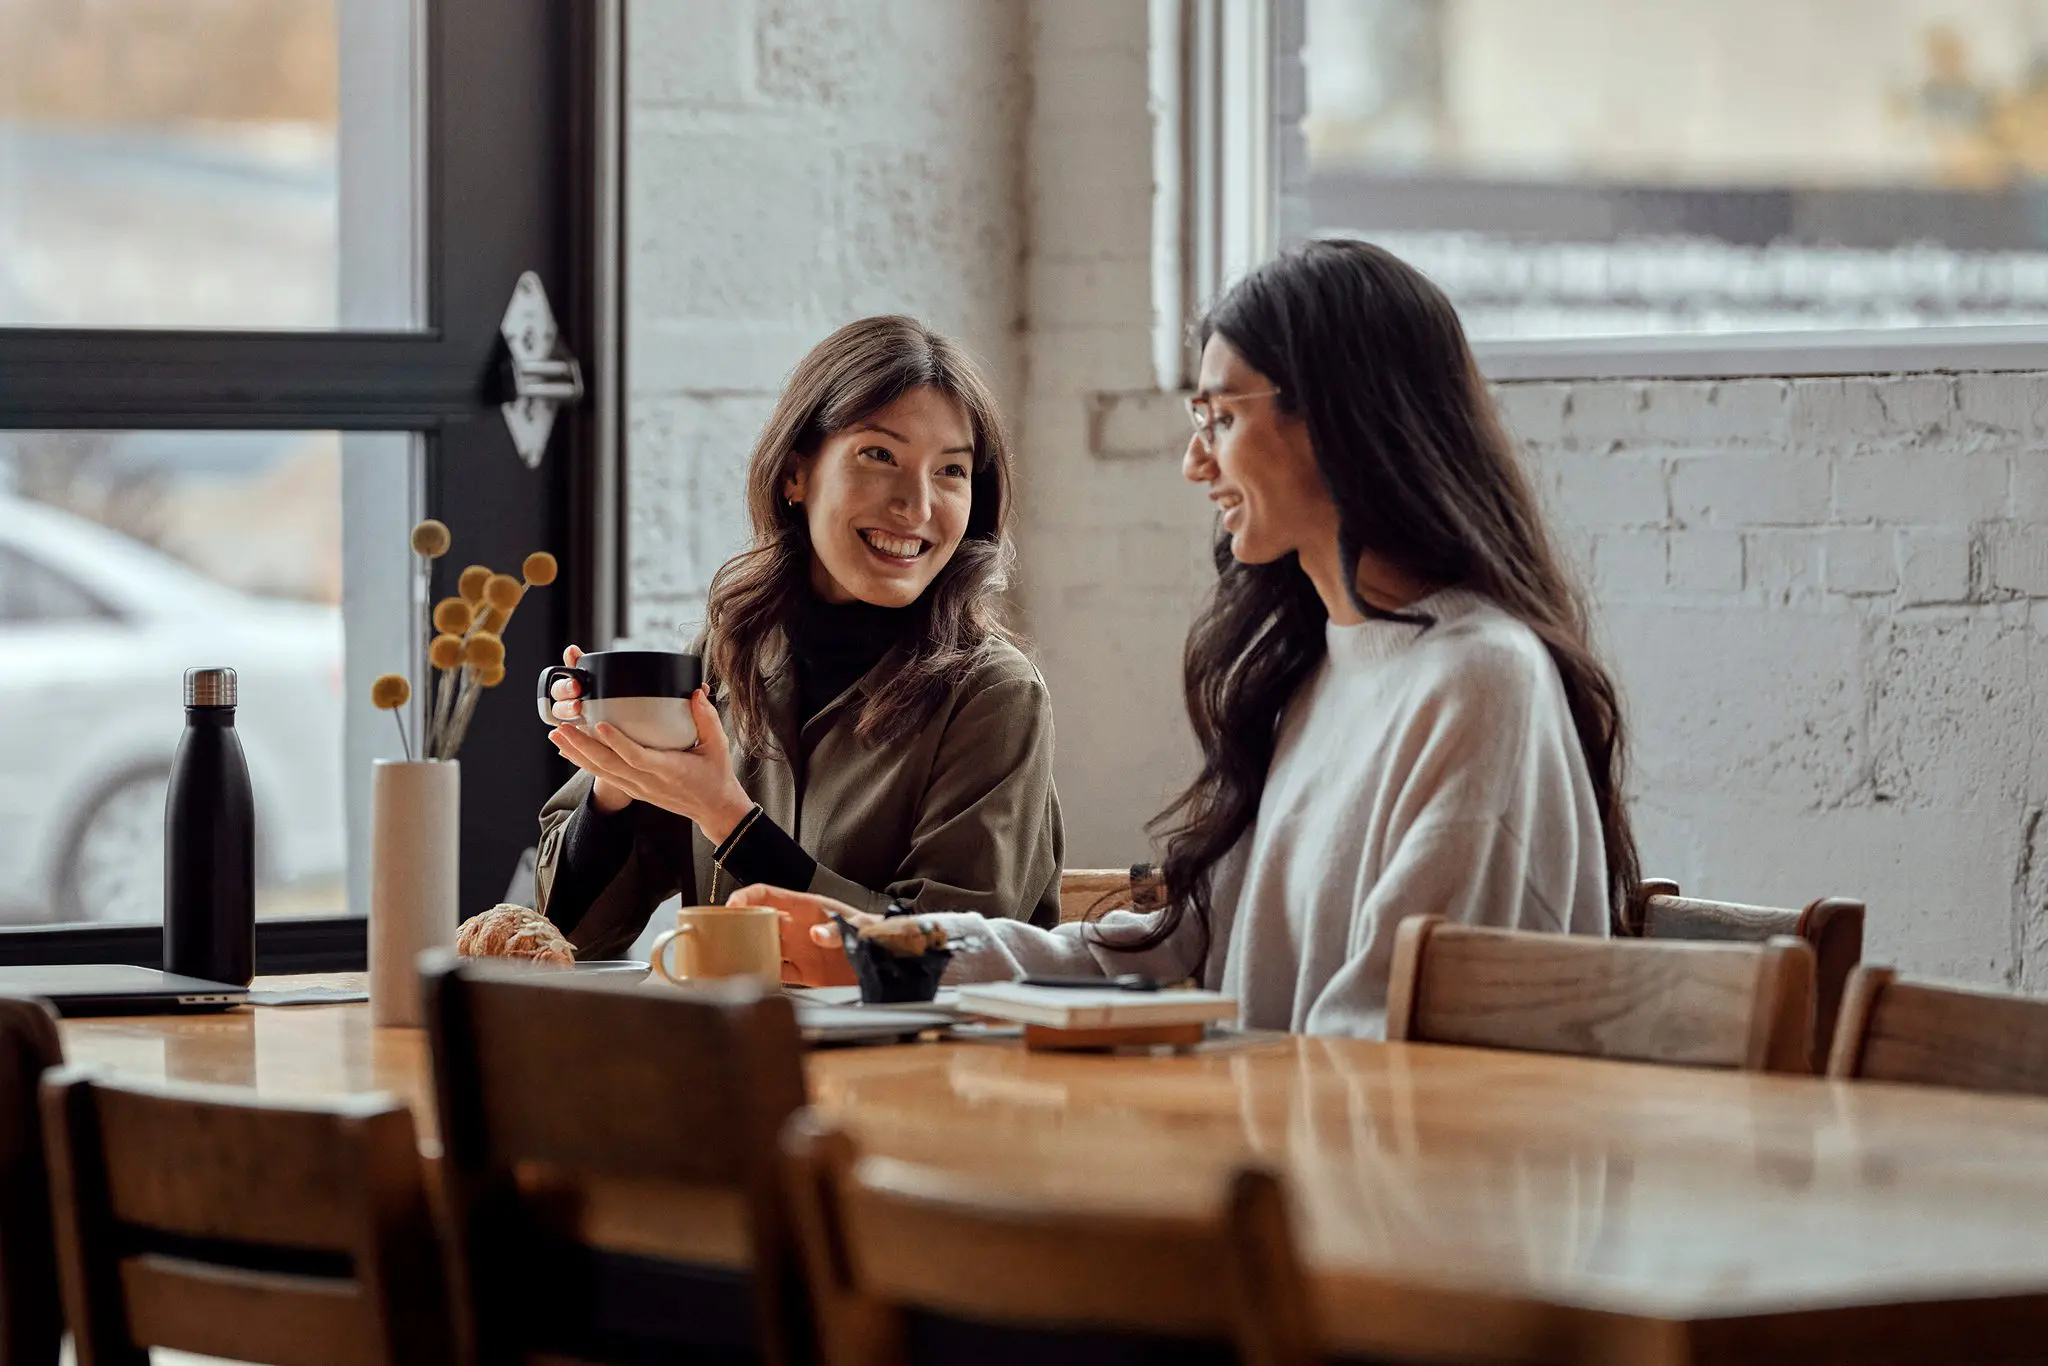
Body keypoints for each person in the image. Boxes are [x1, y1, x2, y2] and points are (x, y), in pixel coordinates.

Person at [737, 240, 1638, 1037]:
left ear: (1342, 422)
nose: (1193, 461)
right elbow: (1163, 955)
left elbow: (1385, 1045)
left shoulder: (1478, 681)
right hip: (1287, 1170)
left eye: (1221, 418)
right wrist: (869, 948)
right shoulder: (1316, 676)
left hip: (1394, 1209)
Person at [534, 315, 1064, 965]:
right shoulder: (724, 660)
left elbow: (951, 956)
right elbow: (569, 939)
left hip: (929, 1064)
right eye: (880, 456)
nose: (918, 505)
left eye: (951, 471)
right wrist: (619, 778)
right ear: (795, 475)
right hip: (733, 1051)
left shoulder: (993, 696)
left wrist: (729, 819)